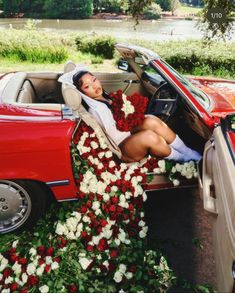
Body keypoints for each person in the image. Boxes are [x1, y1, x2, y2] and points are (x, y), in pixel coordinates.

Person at [64, 68, 201, 163]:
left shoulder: (104, 98)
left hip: (126, 135)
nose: (94, 86)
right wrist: (131, 121)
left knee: (152, 120)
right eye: (87, 87)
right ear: (82, 92)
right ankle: (184, 159)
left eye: (94, 80)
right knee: (149, 135)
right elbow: (115, 136)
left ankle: (187, 152)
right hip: (122, 147)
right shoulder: (97, 110)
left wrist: (132, 115)